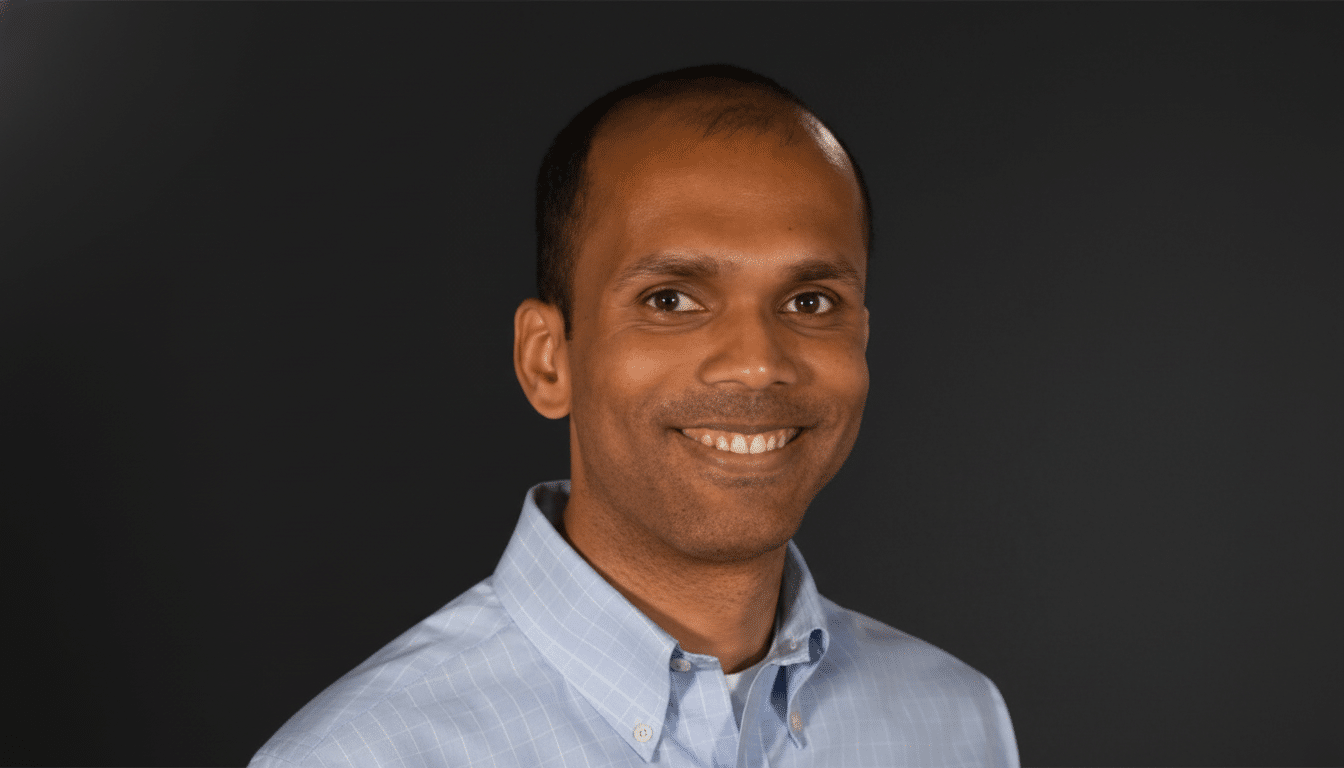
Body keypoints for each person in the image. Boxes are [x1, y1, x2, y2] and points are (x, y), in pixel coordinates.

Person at [250, 64, 1020, 768]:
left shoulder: (956, 723)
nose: (757, 362)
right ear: (548, 359)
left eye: (809, 302)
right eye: (671, 300)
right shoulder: (362, 756)